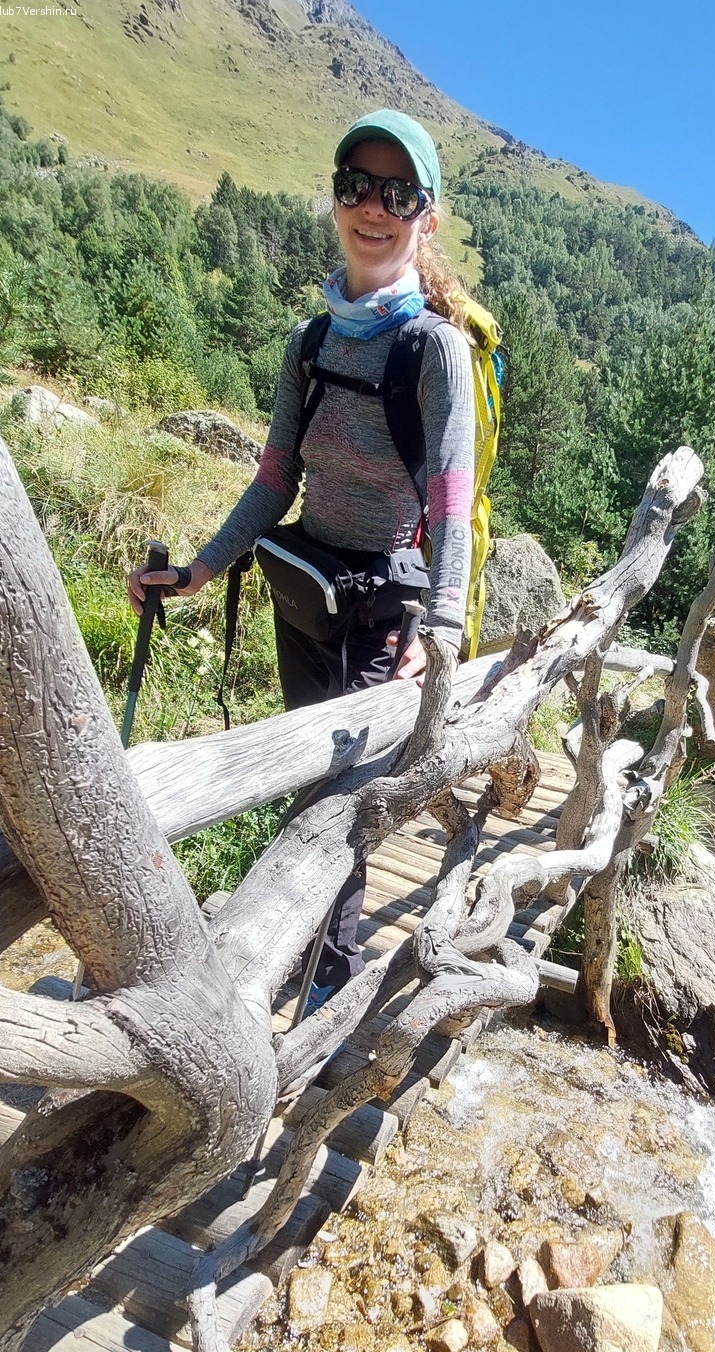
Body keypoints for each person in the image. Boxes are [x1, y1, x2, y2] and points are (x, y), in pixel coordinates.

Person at [128, 109, 476, 995]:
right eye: (356, 185)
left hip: (383, 610)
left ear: (426, 217)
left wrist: (441, 627)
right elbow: (275, 478)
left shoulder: (434, 349)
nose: (373, 206)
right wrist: (201, 568)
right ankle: (308, 955)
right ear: (335, 198)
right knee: (309, 787)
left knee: (340, 804)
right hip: (306, 592)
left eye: (397, 193)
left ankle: (328, 974)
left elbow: (450, 497)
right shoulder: (310, 343)